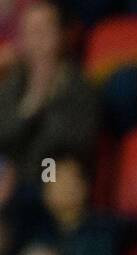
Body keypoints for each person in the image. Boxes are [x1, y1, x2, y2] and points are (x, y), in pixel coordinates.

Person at [0, 2, 98, 187]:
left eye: (45, 30)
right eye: (32, 32)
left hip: (52, 172)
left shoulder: (79, 86)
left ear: (60, 35)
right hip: (12, 178)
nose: (39, 39)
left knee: (52, 172)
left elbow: (67, 143)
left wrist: (41, 103)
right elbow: (2, 134)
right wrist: (33, 103)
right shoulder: (12, 83)